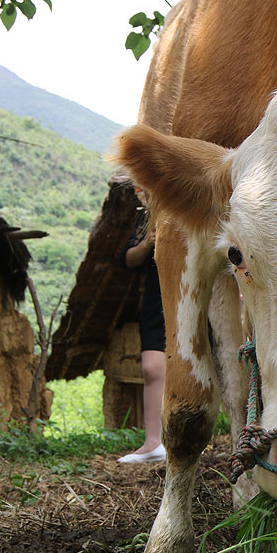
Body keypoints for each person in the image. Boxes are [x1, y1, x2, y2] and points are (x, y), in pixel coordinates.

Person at [118, 188, 167, 463]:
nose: (140, 193)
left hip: (194, 295)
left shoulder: (185, 208)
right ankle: (152, 443)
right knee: (151, 369)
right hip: (155, 298)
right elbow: (128, 259)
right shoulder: (145, 220)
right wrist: (149, 242)